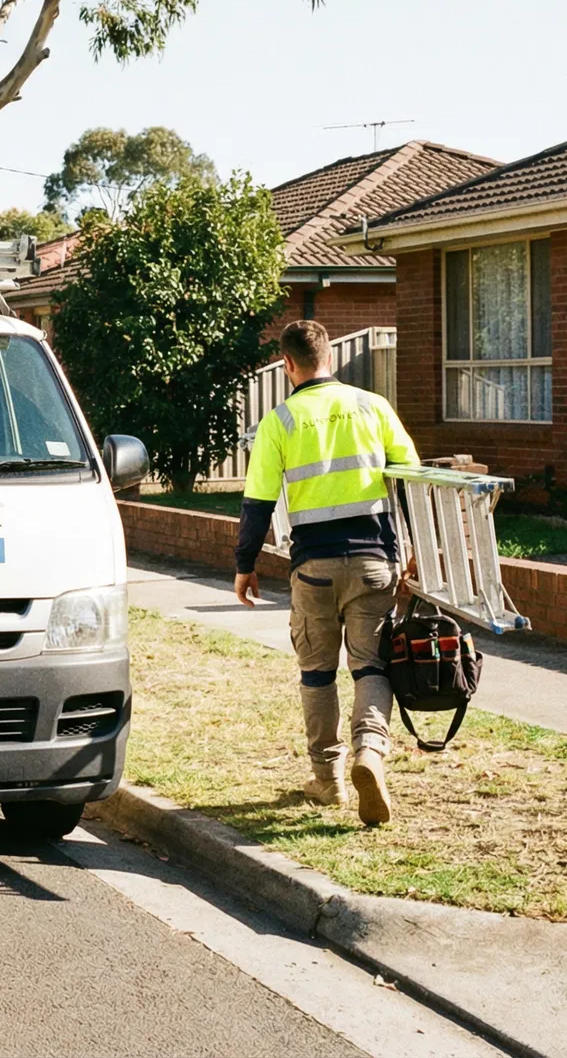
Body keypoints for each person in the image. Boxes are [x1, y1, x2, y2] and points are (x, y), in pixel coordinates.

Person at [233, 320, 419, 825]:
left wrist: (245, 565)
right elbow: (413, 478)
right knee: (370, 668)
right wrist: (420, 549)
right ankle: (371, 755)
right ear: (330, 357)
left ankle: (327, 778)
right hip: (374, 565)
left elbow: (257, 503)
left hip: (313, 568)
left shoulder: (281, 421)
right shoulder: (372, 406)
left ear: (288, 364)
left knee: (317, 674)